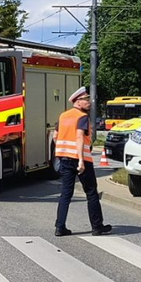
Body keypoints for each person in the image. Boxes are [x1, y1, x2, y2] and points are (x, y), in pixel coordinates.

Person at [52, 87, 111, 237]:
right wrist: (80, 161)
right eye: (85, 99)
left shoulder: (63, 116)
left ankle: (60, 227)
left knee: (66, 193)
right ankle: (97, 227)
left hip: (64, 159)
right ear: (78, 102)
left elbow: (55, 136)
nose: (89, 101)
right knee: (91, 192)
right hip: (81, 160)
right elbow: (79, 137)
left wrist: (61, 150)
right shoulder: (82, 117)